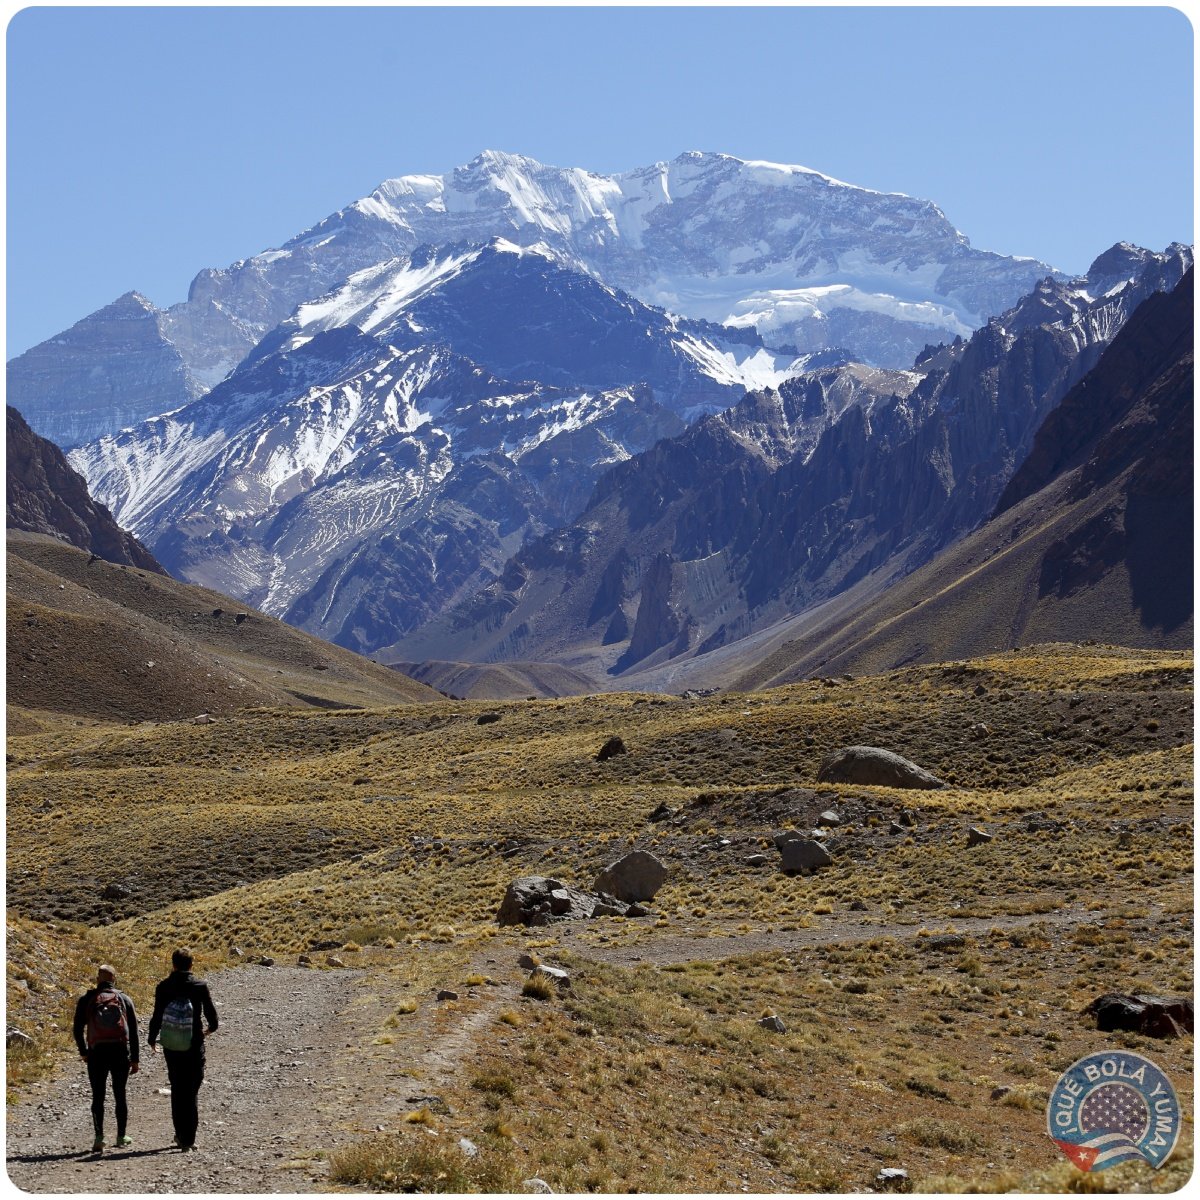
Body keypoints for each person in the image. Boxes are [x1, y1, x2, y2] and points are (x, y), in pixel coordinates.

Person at [146, 947, 218, 1151]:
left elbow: (157, 1014)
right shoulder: (200, 986)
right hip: (194, 1043)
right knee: (192, 1089)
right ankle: (189, 1139)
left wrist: (152, 1037)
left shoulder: (164, 986)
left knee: (177, 1087)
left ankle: (180, 1134)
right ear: (191, 965)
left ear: (174, 965)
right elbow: (212, 1015)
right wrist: (210, 1029)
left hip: (172, 1044)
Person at [72, 964, 140, 1152]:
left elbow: (77, 1029)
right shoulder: (124, 999)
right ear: (114, 979)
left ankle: (99, 1137)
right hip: (119, 1052)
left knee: (98, 1096)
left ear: (97, 980)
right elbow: (133, 1032)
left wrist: (84, 1051)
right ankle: (121, 1136)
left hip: (96, 1053)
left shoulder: (87, 999)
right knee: (120, 1094)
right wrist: (135, 1059)